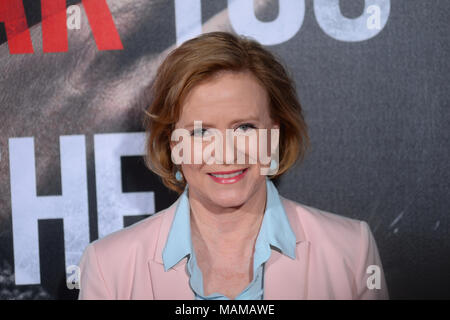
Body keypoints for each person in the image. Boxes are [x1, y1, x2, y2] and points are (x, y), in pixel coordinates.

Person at [78, 31, 389, 300]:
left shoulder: (350, 250)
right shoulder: (109, 267)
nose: (226, 154)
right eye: (201, 132)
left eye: (244, 128)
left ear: (274, 135)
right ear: (174, 144)